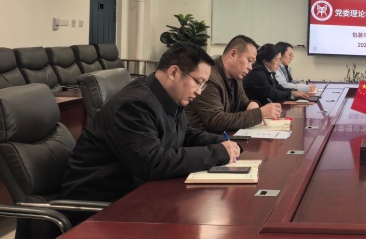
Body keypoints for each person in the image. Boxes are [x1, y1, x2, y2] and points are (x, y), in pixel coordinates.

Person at [60, 43, 242, 203]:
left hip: (136, 192)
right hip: (101, 203)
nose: (199, 91)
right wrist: (216, 153)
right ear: (174, 72)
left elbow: (186, 134)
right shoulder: (135, 105)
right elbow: (152, 163)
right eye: (198, 82)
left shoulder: (169, 97)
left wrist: (222, 142)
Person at [186, 35, 281, 133]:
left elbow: (244, 104)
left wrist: (252, 104)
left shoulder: (236, 77)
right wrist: (259, 114)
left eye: (252, 63)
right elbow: (217, 121)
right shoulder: (208, 77)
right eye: (249, 60)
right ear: (233, 54)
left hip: (223, 136)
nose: (250, 67)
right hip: (203, 139)